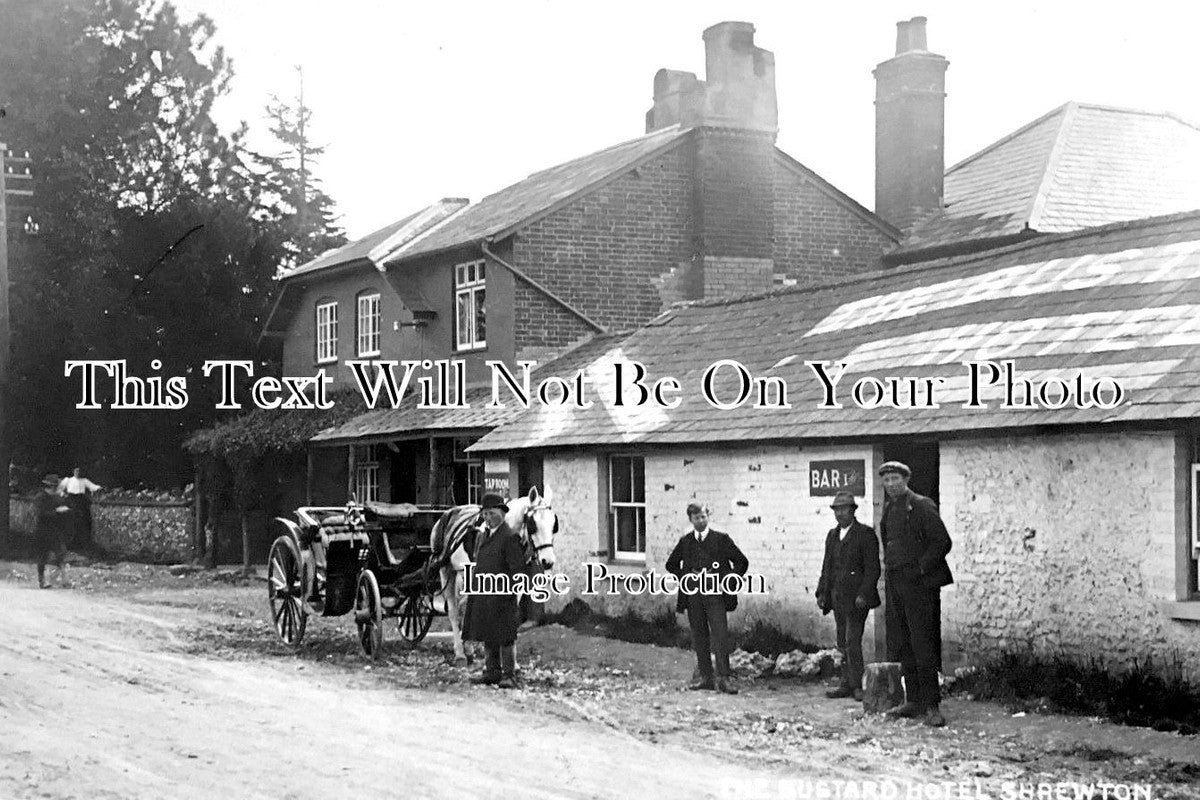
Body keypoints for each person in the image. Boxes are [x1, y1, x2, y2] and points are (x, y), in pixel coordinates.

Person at [877, 461, 953, 727]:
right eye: (886, 481)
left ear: (906, 479)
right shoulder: (889, 509)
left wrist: (920, 569)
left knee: (922, 642)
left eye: (895, 479)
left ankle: (932, 705)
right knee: (903, 641)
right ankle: (914, 700)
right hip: (897, 583)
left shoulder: (921, 505)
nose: (890, 485)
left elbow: (942, 542)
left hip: (919, 585)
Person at [665, 502, 750, 695]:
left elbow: (741, 561)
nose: (701, 521)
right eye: (697, 518)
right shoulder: (686, 542)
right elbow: (670, 564)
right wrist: (685, 578)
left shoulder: (721, 540)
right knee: (699, 636)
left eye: (704, 517)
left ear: (708, 517)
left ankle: (724, 678)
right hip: (694, 597)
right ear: (691, 520)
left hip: (716, 597)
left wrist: (729, 580)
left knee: (720, 636)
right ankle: (705, 677)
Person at [815, 490, 881, 701]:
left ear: (853, 511)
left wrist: (864, 593)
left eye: (844, 509)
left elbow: (873, 569)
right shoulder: (832, 536)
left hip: (856, 600)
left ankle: (858, 686)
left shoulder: (865, 534)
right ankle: (846, 683)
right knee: (842, 643)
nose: (840, 514)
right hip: (838, 598)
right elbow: (827, 567)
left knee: (853, 641)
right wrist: (822, 592)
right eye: (837, 510)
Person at [462, 493, 526, 689]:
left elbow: (517, 569)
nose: (487, 518)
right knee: (488, 631)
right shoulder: (484, 535)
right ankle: (492, 672)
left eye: (491, 514)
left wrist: (511, 593)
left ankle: (509, 674)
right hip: (484, 591)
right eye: (485, 514)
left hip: (503, 594)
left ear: (501, 513)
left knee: (505, 635)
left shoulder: (509, 536)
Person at [35, 473, 72, 589]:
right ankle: (42, 580)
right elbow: (41, 514)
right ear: (50, 486)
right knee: (42, 556)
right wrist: (57, 511)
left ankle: (65, 580)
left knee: (61, 554)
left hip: (54, 531)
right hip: (43, 531)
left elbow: (65, 506)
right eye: (54, 486)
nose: (55, 489)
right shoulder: (40, 497)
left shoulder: (56, 497)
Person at [58, 467, 102, 553]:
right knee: (71, 522)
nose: (78, 472)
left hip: (81, 502)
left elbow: (92, 486)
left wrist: (99, 488)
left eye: (79, 471)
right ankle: (70, 544)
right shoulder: (68, 480)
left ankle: (82, 544)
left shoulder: (84, 480)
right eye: (76, 471)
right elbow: (59, 489)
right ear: (73, 471)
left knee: (84, 522)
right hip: (71, 501)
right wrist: (63, 494)